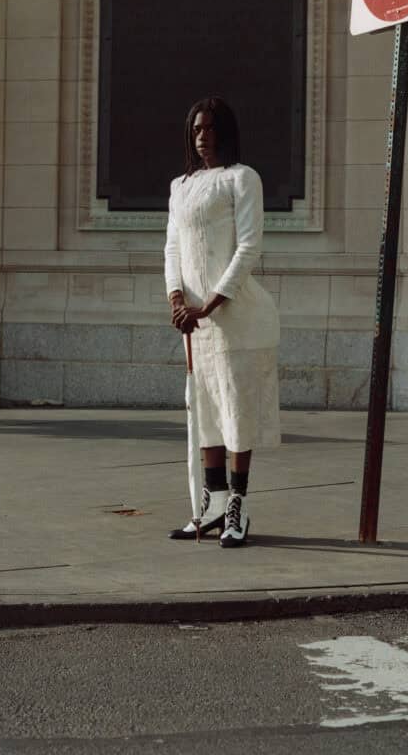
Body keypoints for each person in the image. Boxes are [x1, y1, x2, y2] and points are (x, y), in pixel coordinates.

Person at [164, 96, 280, 548]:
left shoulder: (241, 178)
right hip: (193, 324)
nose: (202, 135)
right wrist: (177, 297)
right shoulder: (180, 186)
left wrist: (210, 304)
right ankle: (211, 505)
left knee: (236, 411)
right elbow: (172, 247)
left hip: (237, 318)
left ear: (226, 132)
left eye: (211, 128)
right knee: (206, 409)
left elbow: (248, 247)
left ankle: (238, 505)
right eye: (196, 128)